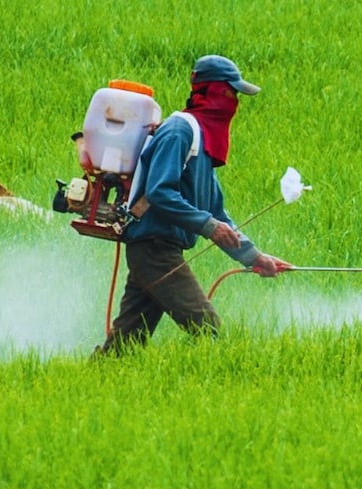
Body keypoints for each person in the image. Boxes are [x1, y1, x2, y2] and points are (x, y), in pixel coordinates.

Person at [97, 54, 285, 355]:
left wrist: (254, 256)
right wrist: (208, 227)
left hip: (159, 249)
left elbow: (217, 213)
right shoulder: (179, 131)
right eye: (230, 92)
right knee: (206, 329)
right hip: (153, 249)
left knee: (126, 345)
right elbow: (160, 191)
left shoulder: (203, 143)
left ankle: (99, 381)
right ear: (211, 92)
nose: (234, 101)